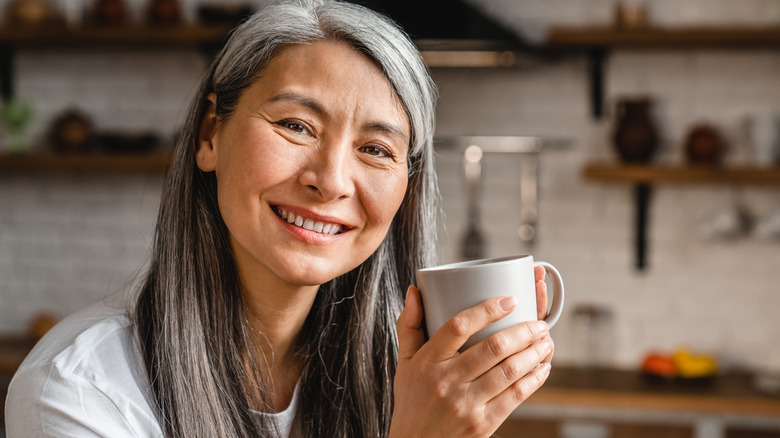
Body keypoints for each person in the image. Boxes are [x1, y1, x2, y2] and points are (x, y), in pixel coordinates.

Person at [5, 1, 555, 436]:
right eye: (296, 125)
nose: (332, 180)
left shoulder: (410, 378)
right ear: (209, 135)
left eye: (377, 150)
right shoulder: (81, 390)